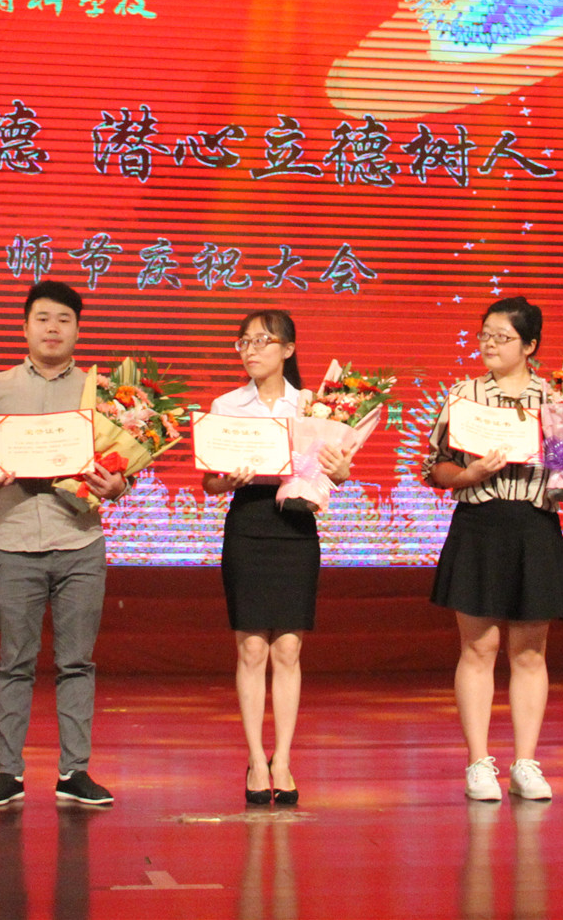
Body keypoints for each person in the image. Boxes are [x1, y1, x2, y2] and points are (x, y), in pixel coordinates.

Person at [0, 280, 130, 809]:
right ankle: (8, 773)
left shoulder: (101, 393)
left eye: (63, 320)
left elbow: (125, 460)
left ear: (78, 329)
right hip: (15, 543)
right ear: (25, 326)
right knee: (14, 663)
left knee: (77, 662)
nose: (53, 328)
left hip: (80, 541)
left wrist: (118, 484)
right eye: (43, 318)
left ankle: (75, 771)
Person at [425, 296, 563, 803]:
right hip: (480, 525)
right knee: (478, 648)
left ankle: (526, 764)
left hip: (534, 527)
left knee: (530, 652)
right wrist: (467, 474)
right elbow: (435, 467)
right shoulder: (464, 394)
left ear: (530, 345)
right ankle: (478, 764)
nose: (489, 344)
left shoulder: (557, 398)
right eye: (485, 334)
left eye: (502, 337)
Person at [202, 309, 352, 806]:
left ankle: (282, 758)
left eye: (262, 341)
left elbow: (335, 472)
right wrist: (228, 480)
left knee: (287, 649)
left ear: (288, 349)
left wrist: (340, 469)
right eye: (244, 341)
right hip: (248, 522)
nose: (251, 350)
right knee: (251, 649)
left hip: (295, 526)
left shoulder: (312, 405)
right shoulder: (226, 404)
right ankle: (254, 757)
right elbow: (209, 481)